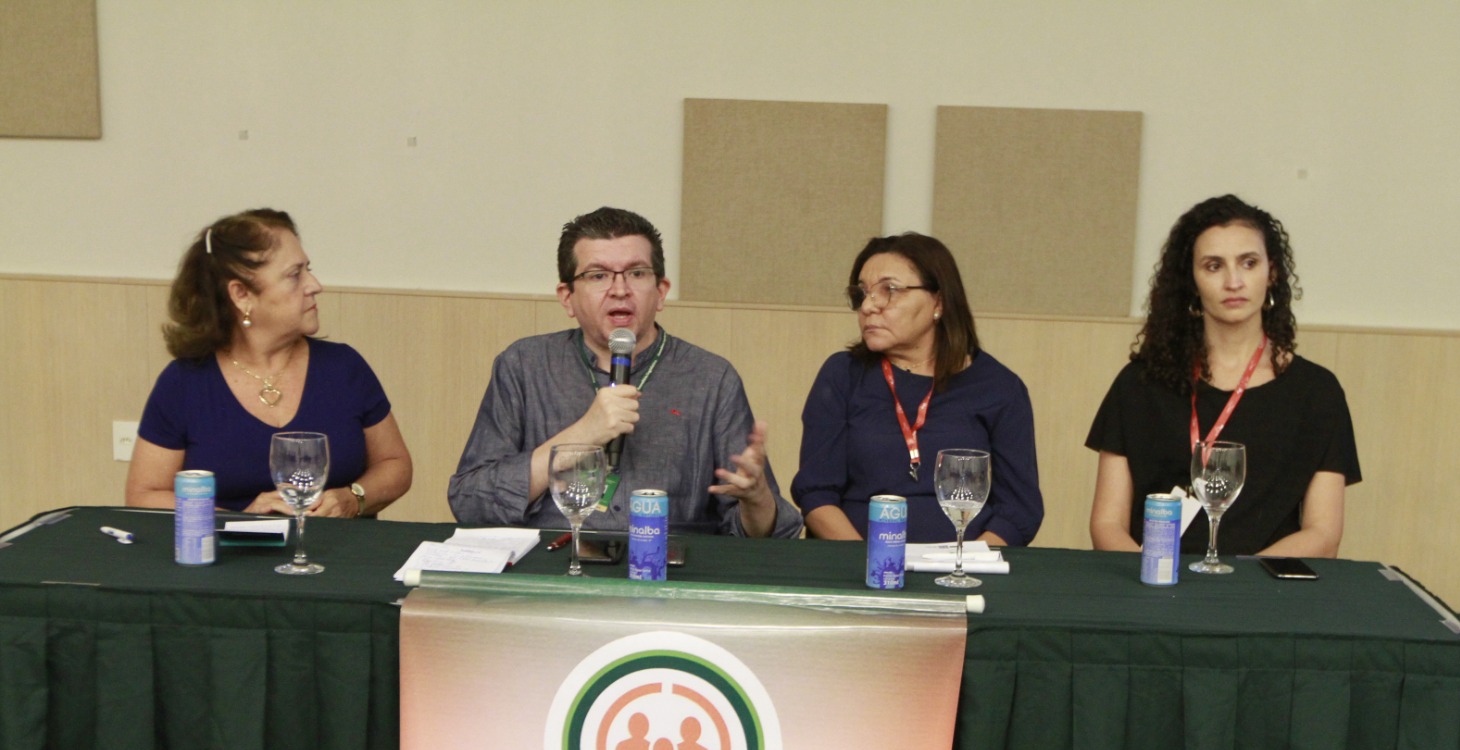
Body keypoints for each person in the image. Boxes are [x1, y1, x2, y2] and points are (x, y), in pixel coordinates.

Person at [449, 206, 802, 537]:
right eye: (598, 275)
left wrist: (757, 501)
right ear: (567, 297)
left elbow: (766, 533)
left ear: (661, 292)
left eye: (636, 273)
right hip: (551, 562)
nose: (620, 290)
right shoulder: (524, 365)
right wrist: (582, 435)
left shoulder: (711, 378)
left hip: (668, 569)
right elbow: (470, 502)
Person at [1086, 194, 1360, 557]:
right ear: (1191, 281)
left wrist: (1236, 583)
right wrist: (1155, 574)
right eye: (1214, 266)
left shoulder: (1317, 392)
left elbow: (1323, 534)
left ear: (1272, 272)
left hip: (1264, 586)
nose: (1234, 281)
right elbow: (1107, 524)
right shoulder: (1139, 384)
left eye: (1248, 263)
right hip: (1152, 580)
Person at [126, 208, 412, 515]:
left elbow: (395, 464)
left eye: (308, 269)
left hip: (340, 545)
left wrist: (354, 498)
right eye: (294, 275)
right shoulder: (184, 382)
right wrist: (240, 521)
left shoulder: (344, 368)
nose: (315, 285)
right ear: (241, 295)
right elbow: (144, 495)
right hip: (226, 547)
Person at [790, 232, 1043, 545]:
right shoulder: (842, 375)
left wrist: (965, 563)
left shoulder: (999, 388)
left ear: (939, 302)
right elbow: (816, 494)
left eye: (889, 290)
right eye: (862, 294)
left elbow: (1018, 511)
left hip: (965, 564)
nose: (868, 306)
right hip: (854, 562)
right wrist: (871, 561)